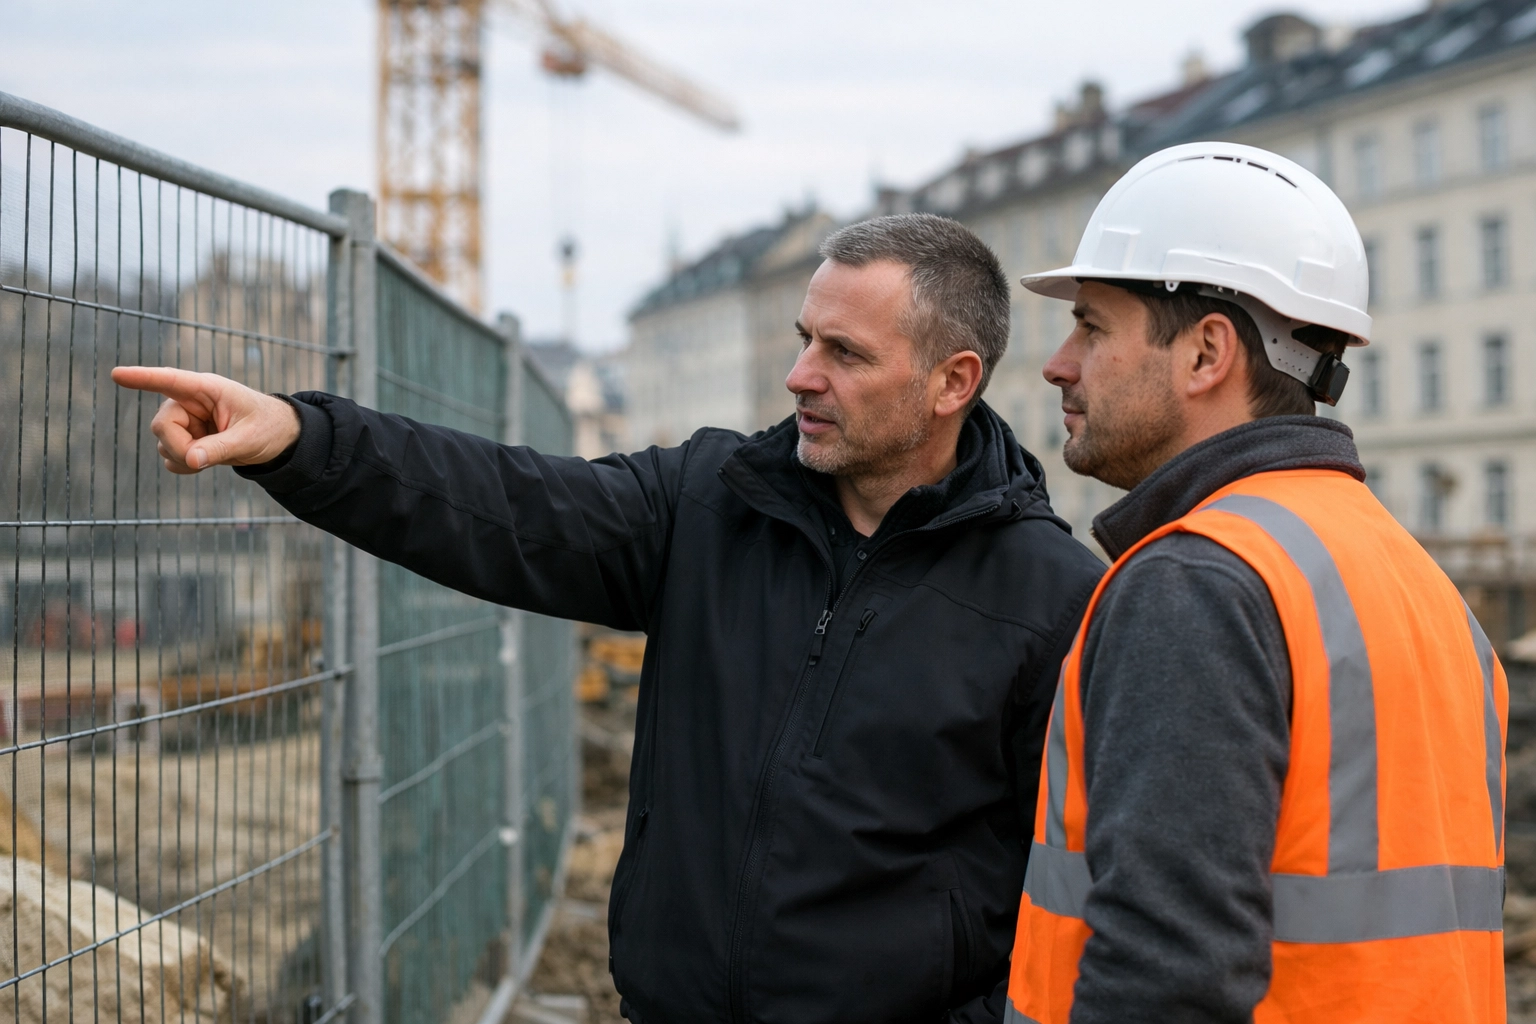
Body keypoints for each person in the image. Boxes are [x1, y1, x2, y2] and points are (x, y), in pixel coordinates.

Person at [115, 213, 1105, 1024]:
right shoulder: (713, 501)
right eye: (806, 337)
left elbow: (1074, 897)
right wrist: (298, 439)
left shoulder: (1050, 599)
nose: (802, 374)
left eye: (844, 353)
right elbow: (505, 504)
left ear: (953, 382)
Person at [1003, 141, 1508, 1024]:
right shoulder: (1415, 581)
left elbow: (1165, 976)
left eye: (1092, 326)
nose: (1059, 363)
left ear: (1206, 353)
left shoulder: (1199, 580)